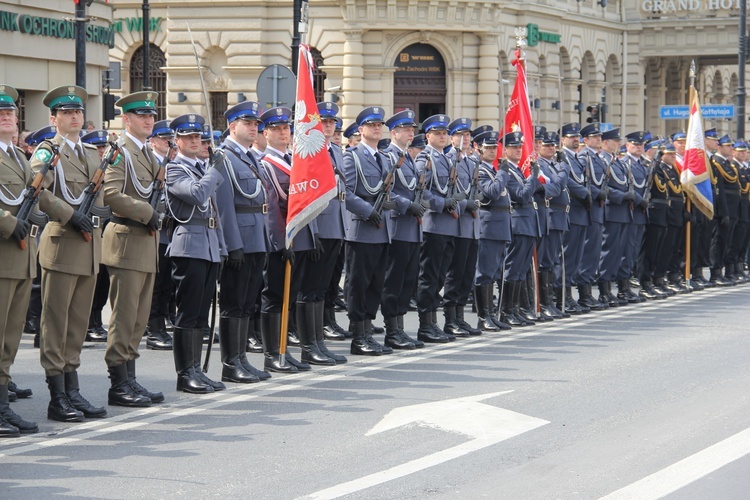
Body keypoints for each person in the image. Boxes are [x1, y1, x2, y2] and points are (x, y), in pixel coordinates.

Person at [34, 85, 107, 422]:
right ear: (54, 118)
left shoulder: (92, 153)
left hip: (88, 246)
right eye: (66, 112)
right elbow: (38, 193)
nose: (74, 117)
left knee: (77, 323)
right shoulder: (47, 151)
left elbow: (102, 195)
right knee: (56, 323)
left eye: (77, 112)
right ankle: (57, 395)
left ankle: (73, 388)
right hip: (62, 241)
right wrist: (69, 214)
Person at [100, 91, 165, 407]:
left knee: (139, 319)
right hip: (126, 239)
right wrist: (146, 212)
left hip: (146, 243)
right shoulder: (119, 152)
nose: (149, 120)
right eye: (142, 115)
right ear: (126, 119)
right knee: (124, 317)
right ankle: (118, 384)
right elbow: (110, 194)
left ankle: (131, 379)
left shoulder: (150, 155)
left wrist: (157, 213)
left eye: (151, 115)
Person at [165, 113, 227, 394]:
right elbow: (198, 195)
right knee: (188, 313)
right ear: (176, 141)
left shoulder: (202, 168)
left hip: (210, 244)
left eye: (197, 137)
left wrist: (222, 248)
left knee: (202, 314)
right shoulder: (174, 169)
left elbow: (215, 210)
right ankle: (185, 373)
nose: (194, 141)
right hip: (189, 245)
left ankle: (197, 370)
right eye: (188, 137)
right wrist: (214, 169)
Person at [215, 100, 273, 382]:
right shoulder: (224, 157)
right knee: (234, 301)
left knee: (248, 302)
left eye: (255, 124)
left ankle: (241, 358)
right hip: (239, 237)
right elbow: (224, 203)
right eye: (248, 123)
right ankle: (230, 364)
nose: (254, 128)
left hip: (256, 236)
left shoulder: (249, 156)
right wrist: (232, 243)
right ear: (232, 126)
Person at [258, 106, 318, 371]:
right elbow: (272, 208)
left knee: (289, 296)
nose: (284, 133)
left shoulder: (294, 161)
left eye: (286, 128)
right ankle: (273, 354)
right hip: (279, 243)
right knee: (274, 296)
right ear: (266, 133)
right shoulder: (266, 164)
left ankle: (284, 348)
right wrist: (281, 243)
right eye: (277, 129)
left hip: (298, 239)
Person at [0, 84, 39, 435]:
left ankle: (2, 405)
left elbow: (35, 195)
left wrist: (68, 214)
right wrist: (10, 223)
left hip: (23, 258)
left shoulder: (17, 156)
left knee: (11, 337)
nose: (7, 116)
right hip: (3, 255)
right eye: (1, 113)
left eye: (10, 112)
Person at [343, 106, 398, 355]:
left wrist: (390, 205)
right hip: (362, 228)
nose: (377, 129)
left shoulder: (385, 158)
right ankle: (358, 337)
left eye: (379, 125)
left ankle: (368, 330)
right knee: (359, 283)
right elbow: (347, 193)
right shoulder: (351, 157)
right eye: (372, 125)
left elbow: (389, 192)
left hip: (382, 229)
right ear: (361, 130)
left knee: (376, 283)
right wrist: (368, 210)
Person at [380, 109, 427, 349]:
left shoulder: (407, 157)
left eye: (412, 130)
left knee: (408, 280)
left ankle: (399, 328)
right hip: (398, 225)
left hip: (412, 227)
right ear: (394, 132)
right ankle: (391, 331)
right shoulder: (388, 156)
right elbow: (386, 190)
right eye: (407, 129)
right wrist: (409, 205)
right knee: (394, 280)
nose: (411, 133)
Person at [442, 118, 482, 336]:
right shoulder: (450, 160)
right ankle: (450, 319)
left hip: (472, 225)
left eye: (467, 135)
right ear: (452, 138)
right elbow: (450, 192)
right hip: (458, 223)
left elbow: (477, 189)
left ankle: (460, 316)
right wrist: (468, 203)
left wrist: (477, 199)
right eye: (460, 135)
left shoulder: (471, 162)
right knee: (455, 273)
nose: (465, 139)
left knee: (467, 274)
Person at [498, 131, 541, 327]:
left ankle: (514, 309)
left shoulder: (517, 170)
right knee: (512, 268)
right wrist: (533, 176)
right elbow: (522, 196)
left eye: (519, 147)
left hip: (528, 224)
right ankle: (507, 311)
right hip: (518, 224)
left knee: (520, 271)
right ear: (505, 150)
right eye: (514, 147)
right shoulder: (506, 170)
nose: (518, 150)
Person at [473, 130, 512, 331]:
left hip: (500, 226)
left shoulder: (494, 170)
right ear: (478, 148)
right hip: (488, 227)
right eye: (487, 148)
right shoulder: (480, 170)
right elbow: (493, 192)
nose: (491, 151)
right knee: (485, 272)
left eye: (493, 147)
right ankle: (483, 316)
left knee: (495, 272)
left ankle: (491, 314)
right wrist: (504, 172)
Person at [144, 119, 176, 350]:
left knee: (167, 283)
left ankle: (163, 323)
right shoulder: (149, 162)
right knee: (156, 283)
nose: (169, 143)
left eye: (170, 139)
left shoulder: (172, 163)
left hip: (171, 231)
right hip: (154, 229)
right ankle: (154, 329)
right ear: (153, 141)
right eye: (164, 139)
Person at [80, 129, 111, 343]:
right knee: (91, 279)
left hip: (105, 230)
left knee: (103, 281)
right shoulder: (86, 169)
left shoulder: (111, 169)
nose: (101, 151)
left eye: (103, 147)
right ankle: (89, 322)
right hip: (86, 228)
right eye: (98, 148)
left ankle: (97, 320)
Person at [558, 123, 591, 314]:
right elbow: (568, 182)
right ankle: (563, 294)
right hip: (572, 211)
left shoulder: (577, 158)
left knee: (576, 257)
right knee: (567, 257)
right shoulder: (561, 157)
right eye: (571, 137)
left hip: (581, 213)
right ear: (563, 140)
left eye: (577, 136)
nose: (575, 139)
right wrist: (584, 192)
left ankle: (569, 294)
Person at [709, 134, 740, 285]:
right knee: (719, 240)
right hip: (723, 208)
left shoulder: (728, 164)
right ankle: (716, 272)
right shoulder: (716, 163)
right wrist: (723, 211)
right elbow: (720, 189)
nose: (731, 148)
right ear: (719, 147)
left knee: (728, 240)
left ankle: (726, 270)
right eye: (728, 146)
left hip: (733, 208)